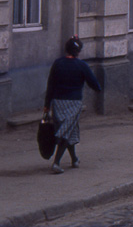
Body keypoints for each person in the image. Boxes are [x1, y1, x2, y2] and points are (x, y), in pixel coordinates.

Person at [43, 36, 101, 174]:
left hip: (58, 102)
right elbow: (94, 83)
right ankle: (56, 163)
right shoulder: (81, 65)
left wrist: (47, 105)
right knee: (65, 132)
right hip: (74, 103)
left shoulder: (57, 63)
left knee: (69, 130)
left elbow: (50, 85)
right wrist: (98, 89)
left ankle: (74, 159)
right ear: (78, 51)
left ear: (66, 49)